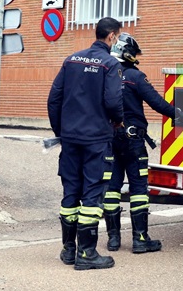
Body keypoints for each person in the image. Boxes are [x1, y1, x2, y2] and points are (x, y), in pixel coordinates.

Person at [47, 17, 124, 271]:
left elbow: (54, 98)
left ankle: (69, 250)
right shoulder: (110, 64)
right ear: (111, 36)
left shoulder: (71, 60)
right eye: (117, 37)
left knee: (70, 191)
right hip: (96, 140)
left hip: (70, 139)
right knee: (92, 192)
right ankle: (88, 253)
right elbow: (113, 101)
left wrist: (61, 130)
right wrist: (117, 121)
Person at [103, 33, 175, 254]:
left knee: (112, 189)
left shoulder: (104, 77)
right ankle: (140, 240)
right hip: (133, 142)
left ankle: (113, 240)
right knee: (138, 189)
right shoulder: (135, 76)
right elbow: (158, 104)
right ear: (128, 54)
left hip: (110, 140)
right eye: (134, 53)